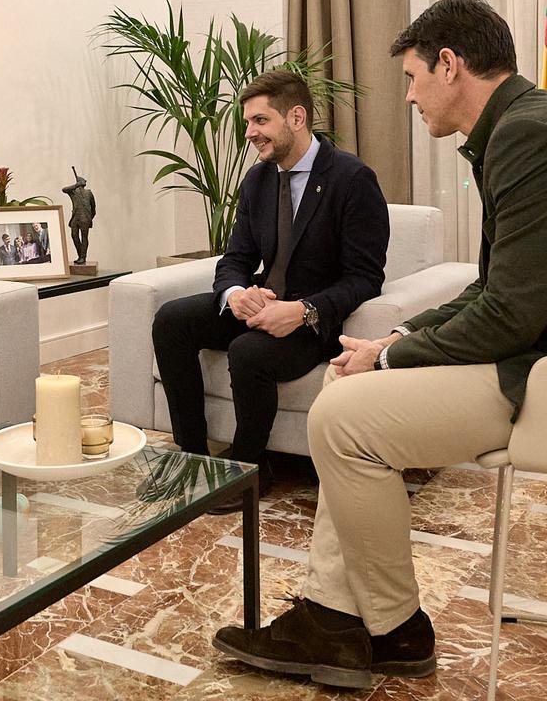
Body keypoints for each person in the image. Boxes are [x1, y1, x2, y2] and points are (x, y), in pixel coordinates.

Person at [213, 0, 547, 688]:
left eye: (412, 79)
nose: (409, 97)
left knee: (342, 416)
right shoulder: (529, 126)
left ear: (449, 65)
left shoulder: (530, 138)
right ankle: (337, 619)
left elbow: (510, 315)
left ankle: (388, 627)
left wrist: (389, 353)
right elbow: (496, 290)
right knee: (353, 392)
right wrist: (394, 337)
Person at [152, 69, 390, 515]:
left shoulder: (351, 179)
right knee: (171, 319)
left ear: (296, 117)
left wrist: (303, 311)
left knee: (249, 351)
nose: (250, 134)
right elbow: (235, 257)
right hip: (262, 304)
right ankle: (192, 455)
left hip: (312, 321)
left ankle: (248, 467)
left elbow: (365, 277)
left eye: (260, 121)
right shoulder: (258, 180)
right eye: (248, 123)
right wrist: (236, 293)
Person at [62, 171, 96, 264]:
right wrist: (76, 185)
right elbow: (64, 189)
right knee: (74, 236)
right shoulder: (73, 192)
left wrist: (89, 217)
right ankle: (80, 255)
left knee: (84, 237)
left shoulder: (89, 193)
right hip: (75, 218)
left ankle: (83, 257)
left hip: (85, 218)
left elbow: (93, 208)